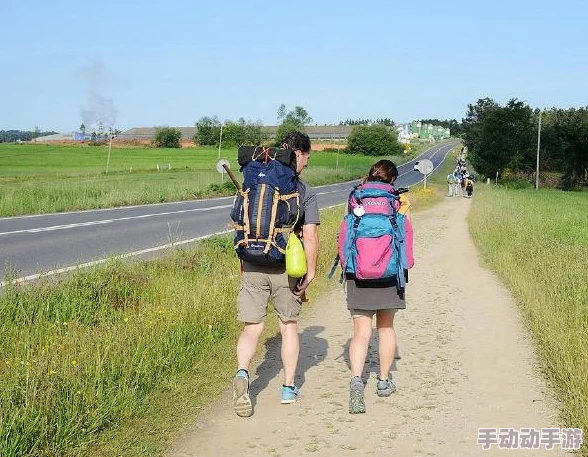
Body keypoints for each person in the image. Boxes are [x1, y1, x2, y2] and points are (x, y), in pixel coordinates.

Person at [232, 131, 320, 417]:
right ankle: (288, 387)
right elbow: (310, 237)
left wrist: (245, 261)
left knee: (252, 328)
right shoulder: (304, 191)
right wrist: (311, 271)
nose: (307, 163)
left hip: (253, 262)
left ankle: (243, 374)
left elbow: (240, 221)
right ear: (301, 154)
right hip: (286, 265)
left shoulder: (254, 181)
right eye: (307, 157)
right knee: (288, 327)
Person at [345, 160, 413, 414]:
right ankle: (383, 382)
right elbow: (407, 237)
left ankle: (355, 381)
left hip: (358, 273)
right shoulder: (398, 201)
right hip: (390, 273)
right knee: (385, 328)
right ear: (392, 179)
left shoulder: (356, 197)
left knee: (361, 332)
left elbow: (346, 235)